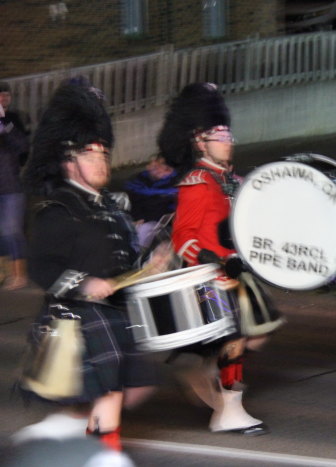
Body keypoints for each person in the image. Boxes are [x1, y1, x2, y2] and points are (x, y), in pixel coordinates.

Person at [19, 80, 164, 451]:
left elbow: (124, 258)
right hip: (76, 315)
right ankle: (96, 452)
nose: (101, 162)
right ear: (69, 162)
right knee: (111, 393)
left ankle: (73, 435)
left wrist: (151, 263)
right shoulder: (58, 210)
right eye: (90, 155)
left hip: (115, 312)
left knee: (138, 386)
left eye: (104, 154)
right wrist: (84, 284)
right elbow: (41, 268)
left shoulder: (112, 206)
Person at [159, 82, 269, 436]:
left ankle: (206, 372)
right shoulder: (197, 182)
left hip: (237, 272)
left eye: (228, 135)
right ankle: (228, 410)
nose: (228, 141)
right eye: (219, 136)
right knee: (234, 340)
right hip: (210, 276)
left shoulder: (233, 179)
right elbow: (182, 236)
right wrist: (211, 259)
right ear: (200, 141)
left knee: (257, 335)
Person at [0, 81, 30, 290]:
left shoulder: (14, 120)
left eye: (6, 96)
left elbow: (22, 146)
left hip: (11, 185)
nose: (3, 99)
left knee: (12, 230)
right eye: (0, 96)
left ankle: (20, 275)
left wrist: (4, 123)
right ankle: (3, 273)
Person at [123, 154, 178, 248]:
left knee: (144, 229)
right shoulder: (139, 181)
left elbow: (166, 208)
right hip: (138, 220)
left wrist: (143, 220)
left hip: (161, 225)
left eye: (165, 168)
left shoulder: (175, 184)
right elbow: (135, 203)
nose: (158, 168)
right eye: (156, 164)